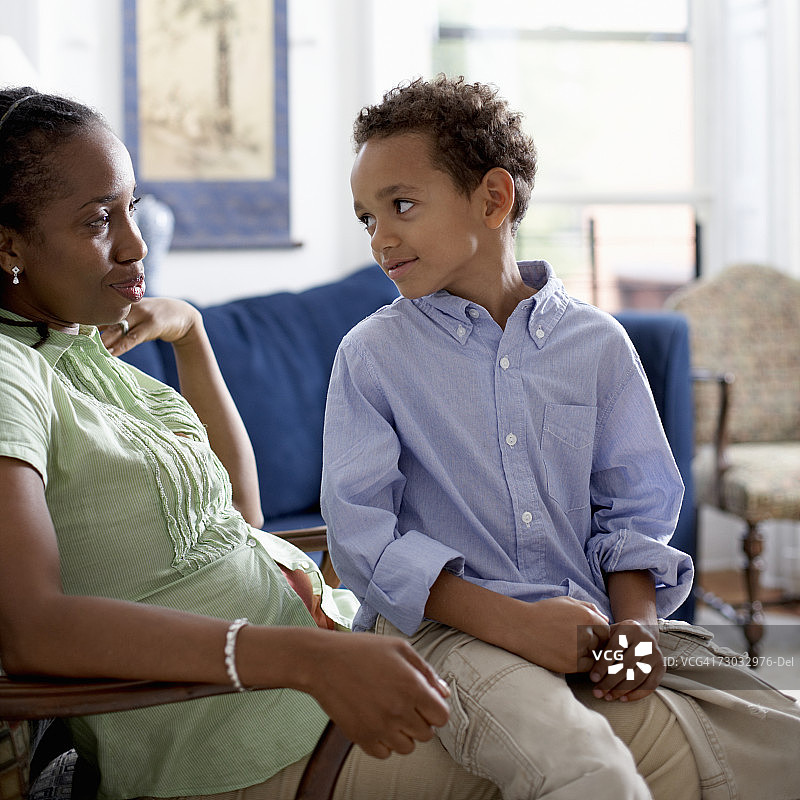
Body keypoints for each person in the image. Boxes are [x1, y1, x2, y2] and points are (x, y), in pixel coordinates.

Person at [0, 87, 505, 800]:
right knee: (633, 744)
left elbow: (242, 517)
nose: (134, 244)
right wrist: (300, 658)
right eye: (96, 220)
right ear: (8, 245)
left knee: (632, 707)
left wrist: (193, 338)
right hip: (249, 748)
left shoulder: (81, 354)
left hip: (334, 670)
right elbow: (31, 628)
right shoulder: (7, 374)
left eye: (130, 208)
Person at [321, 75, 800, 800]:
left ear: (493, 199)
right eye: (366, 217)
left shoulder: (597, 344)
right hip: (442, 633)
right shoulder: (371, 355)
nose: (380, 237)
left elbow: (632, 513)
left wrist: (637, 629)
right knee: (587, 769)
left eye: (402, 206)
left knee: (781, 730)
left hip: (589, 618)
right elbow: (362, 539)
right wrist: (514, 625)